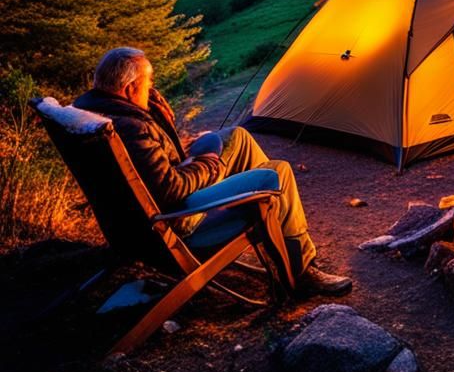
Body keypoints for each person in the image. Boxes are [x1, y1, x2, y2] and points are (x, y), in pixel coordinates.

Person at [74, 47, 352, 296]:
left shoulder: (97, 113)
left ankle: (277, 230)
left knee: (238, 137)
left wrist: (169, 130)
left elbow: (147, 168)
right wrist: (207, 163)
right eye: (148, 83)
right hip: (176, 222)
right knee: (276, 174)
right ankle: (301, 271)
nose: (152, 89)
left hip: (139, 224)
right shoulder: (130, 128)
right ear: (130, 88)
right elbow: (170, 190)